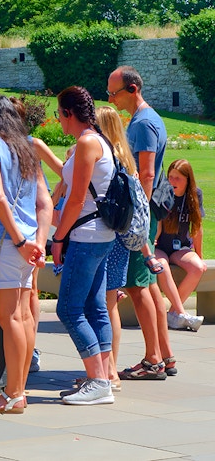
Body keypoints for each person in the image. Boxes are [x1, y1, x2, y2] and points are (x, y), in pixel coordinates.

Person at [0, 96, 52, 414]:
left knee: (10, 318)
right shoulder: (26, 149)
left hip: (6, 242)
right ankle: (16, 391)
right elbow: (44, 203)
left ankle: (12, 394)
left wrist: (19, 242)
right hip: (26, 243)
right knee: (23, 316)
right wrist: (37, 243)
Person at [107, 66, 175, 380]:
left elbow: (147, 173)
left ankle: (153, 360)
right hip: (143, 215)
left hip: (138, 216)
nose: (110, 98)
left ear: (132, 89)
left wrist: (137, 213)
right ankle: (165, 355)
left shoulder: (145, 122)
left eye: (114, 92)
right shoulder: (145, 120)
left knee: (137, 287)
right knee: (147, 285)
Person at [51, 86, 116, 406]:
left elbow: (76, 200)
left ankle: (99, 380)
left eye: (58, 114)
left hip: (86, 236)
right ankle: (104, 375)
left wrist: (58, 237)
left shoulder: (87, 143)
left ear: (68, 113)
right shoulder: (99, 140)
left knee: (69, 309)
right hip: (101, 234)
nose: (58, 121)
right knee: (94, 306)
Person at [9, 95, 64, 374]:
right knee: (26, 292)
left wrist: (57, 195)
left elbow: (67, 172)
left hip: (27, 228)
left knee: (29, 291)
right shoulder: (4, 147)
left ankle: (29, 351)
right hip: (25, 227)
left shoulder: (31, 144)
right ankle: (25, 351)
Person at [94, 105, 136, 391]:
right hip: (122, 237)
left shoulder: (106, 157)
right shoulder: (125, 158)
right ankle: (110, 370)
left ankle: (108, 372)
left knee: (104, 304)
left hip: (107, 235)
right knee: (110, 304)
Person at [155, 159, 206, 332]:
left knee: (198, 268)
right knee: (162, 266)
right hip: (159, 246)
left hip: (181, 247)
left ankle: (172, 314)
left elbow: (197, 227)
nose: (173, 182)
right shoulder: (162, 194)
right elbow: (156, 224)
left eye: (178, 178)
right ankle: (181, 314)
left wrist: (199, 254)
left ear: (187, 180)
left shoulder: (195, 195)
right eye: (170, 177)